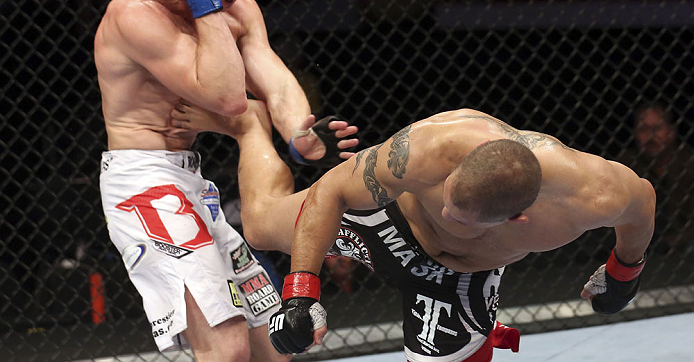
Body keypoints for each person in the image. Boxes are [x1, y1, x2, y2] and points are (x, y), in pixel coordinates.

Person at [170, 101, 655, 362]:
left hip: (457, 281)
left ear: (515, 220)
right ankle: (249, 126)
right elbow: (330, 192)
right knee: (257, 225)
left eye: (459, 217)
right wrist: (300, 292)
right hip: (385, 223)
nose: (445, 213)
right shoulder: (428, 150)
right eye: (446, 199)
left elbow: (643, 206)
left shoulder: (595, 194)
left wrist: (624, 271)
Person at [94, 0, 357, 360]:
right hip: (144, 184)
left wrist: (301, 135)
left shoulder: (239, 7)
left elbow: (272, 80)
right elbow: (229, 98)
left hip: (192, 183)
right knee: (227, 346)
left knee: (274, 348)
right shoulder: (134, 16)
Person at [618, 102, 694, 253]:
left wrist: (677, 239)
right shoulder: (626, 164)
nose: (650, 136)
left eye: (657, 128)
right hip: (637, 244)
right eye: (643, 129)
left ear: (671, 132)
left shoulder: (689, 162)